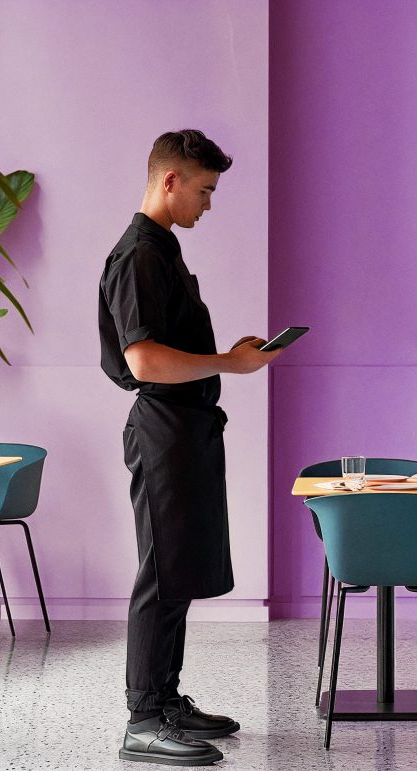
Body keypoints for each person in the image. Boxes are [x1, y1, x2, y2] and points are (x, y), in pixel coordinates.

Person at [99, 129, 281, 766]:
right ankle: (143, 719)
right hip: (161, 430)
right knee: (159, 570)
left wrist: (229, 358)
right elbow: (144, 359)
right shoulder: (140, 255)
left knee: (176, 567)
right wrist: (228, 364)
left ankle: (166, 699)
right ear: (169, 181)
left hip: (184, 428)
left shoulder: (164, 249)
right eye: (203, 190)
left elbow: (169, 349)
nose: (208, 204)